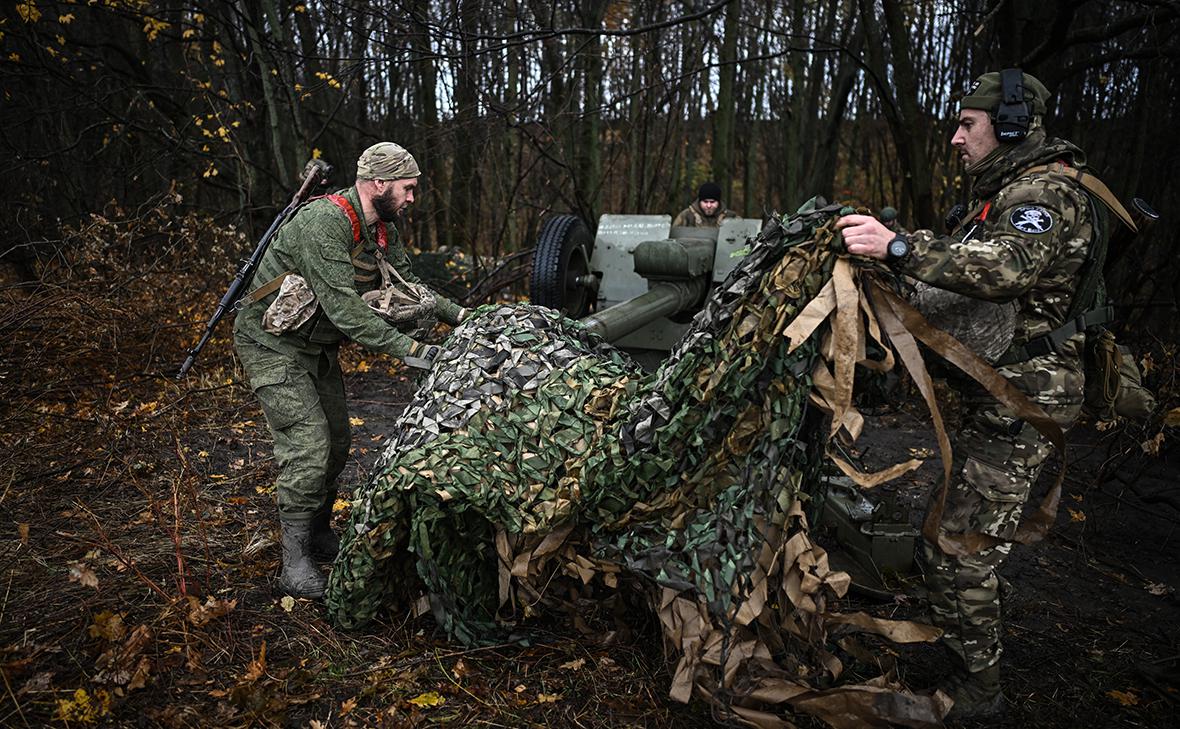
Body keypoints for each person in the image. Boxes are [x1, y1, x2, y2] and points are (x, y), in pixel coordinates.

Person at [837, 71, 1115, 718]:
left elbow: (1002, 268)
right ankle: (973, 630)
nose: (957, 138)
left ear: (1010, 127)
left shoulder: (1044, 194)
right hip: (1001, 396)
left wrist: (898, 246)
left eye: (969, 125)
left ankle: (977, 695)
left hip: (1023, 400)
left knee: (955, 547)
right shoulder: (1006, 191)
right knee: (959, 533)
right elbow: (964, 262)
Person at [233, 142, 466, 599]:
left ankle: (318, 532)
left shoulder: (382, 230)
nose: (413, 198)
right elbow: (345, 310)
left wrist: (464, 318)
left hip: (315, 348)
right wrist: (413, 349)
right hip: (272, 344)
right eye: (408, 188)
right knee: (309, 445)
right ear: (379, 183)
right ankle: (294, 561)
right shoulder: (324, 223)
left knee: (338, 441)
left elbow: (411, 290)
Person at [672, 181, 738, 227]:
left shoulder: (731, 217)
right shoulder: (686, 216)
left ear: (719, 202)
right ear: (699, 201)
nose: (708, 206)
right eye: (705, 202)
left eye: (712, 202)